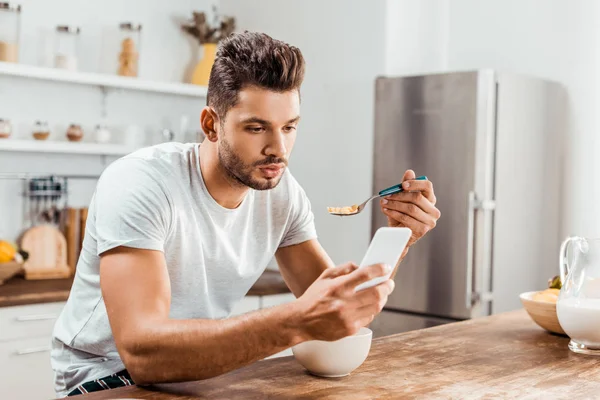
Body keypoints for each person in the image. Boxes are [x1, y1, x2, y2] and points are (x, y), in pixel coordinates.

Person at [51, 31, 441, 397]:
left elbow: (338, 314)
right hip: (105, 377)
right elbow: (142, 355)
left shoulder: (282, 194)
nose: (279, 148)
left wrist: (396, 239)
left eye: (289, 127)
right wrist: (295, 321)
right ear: (211, 124)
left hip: (194, 371)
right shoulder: (140, 183)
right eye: (257, 128)